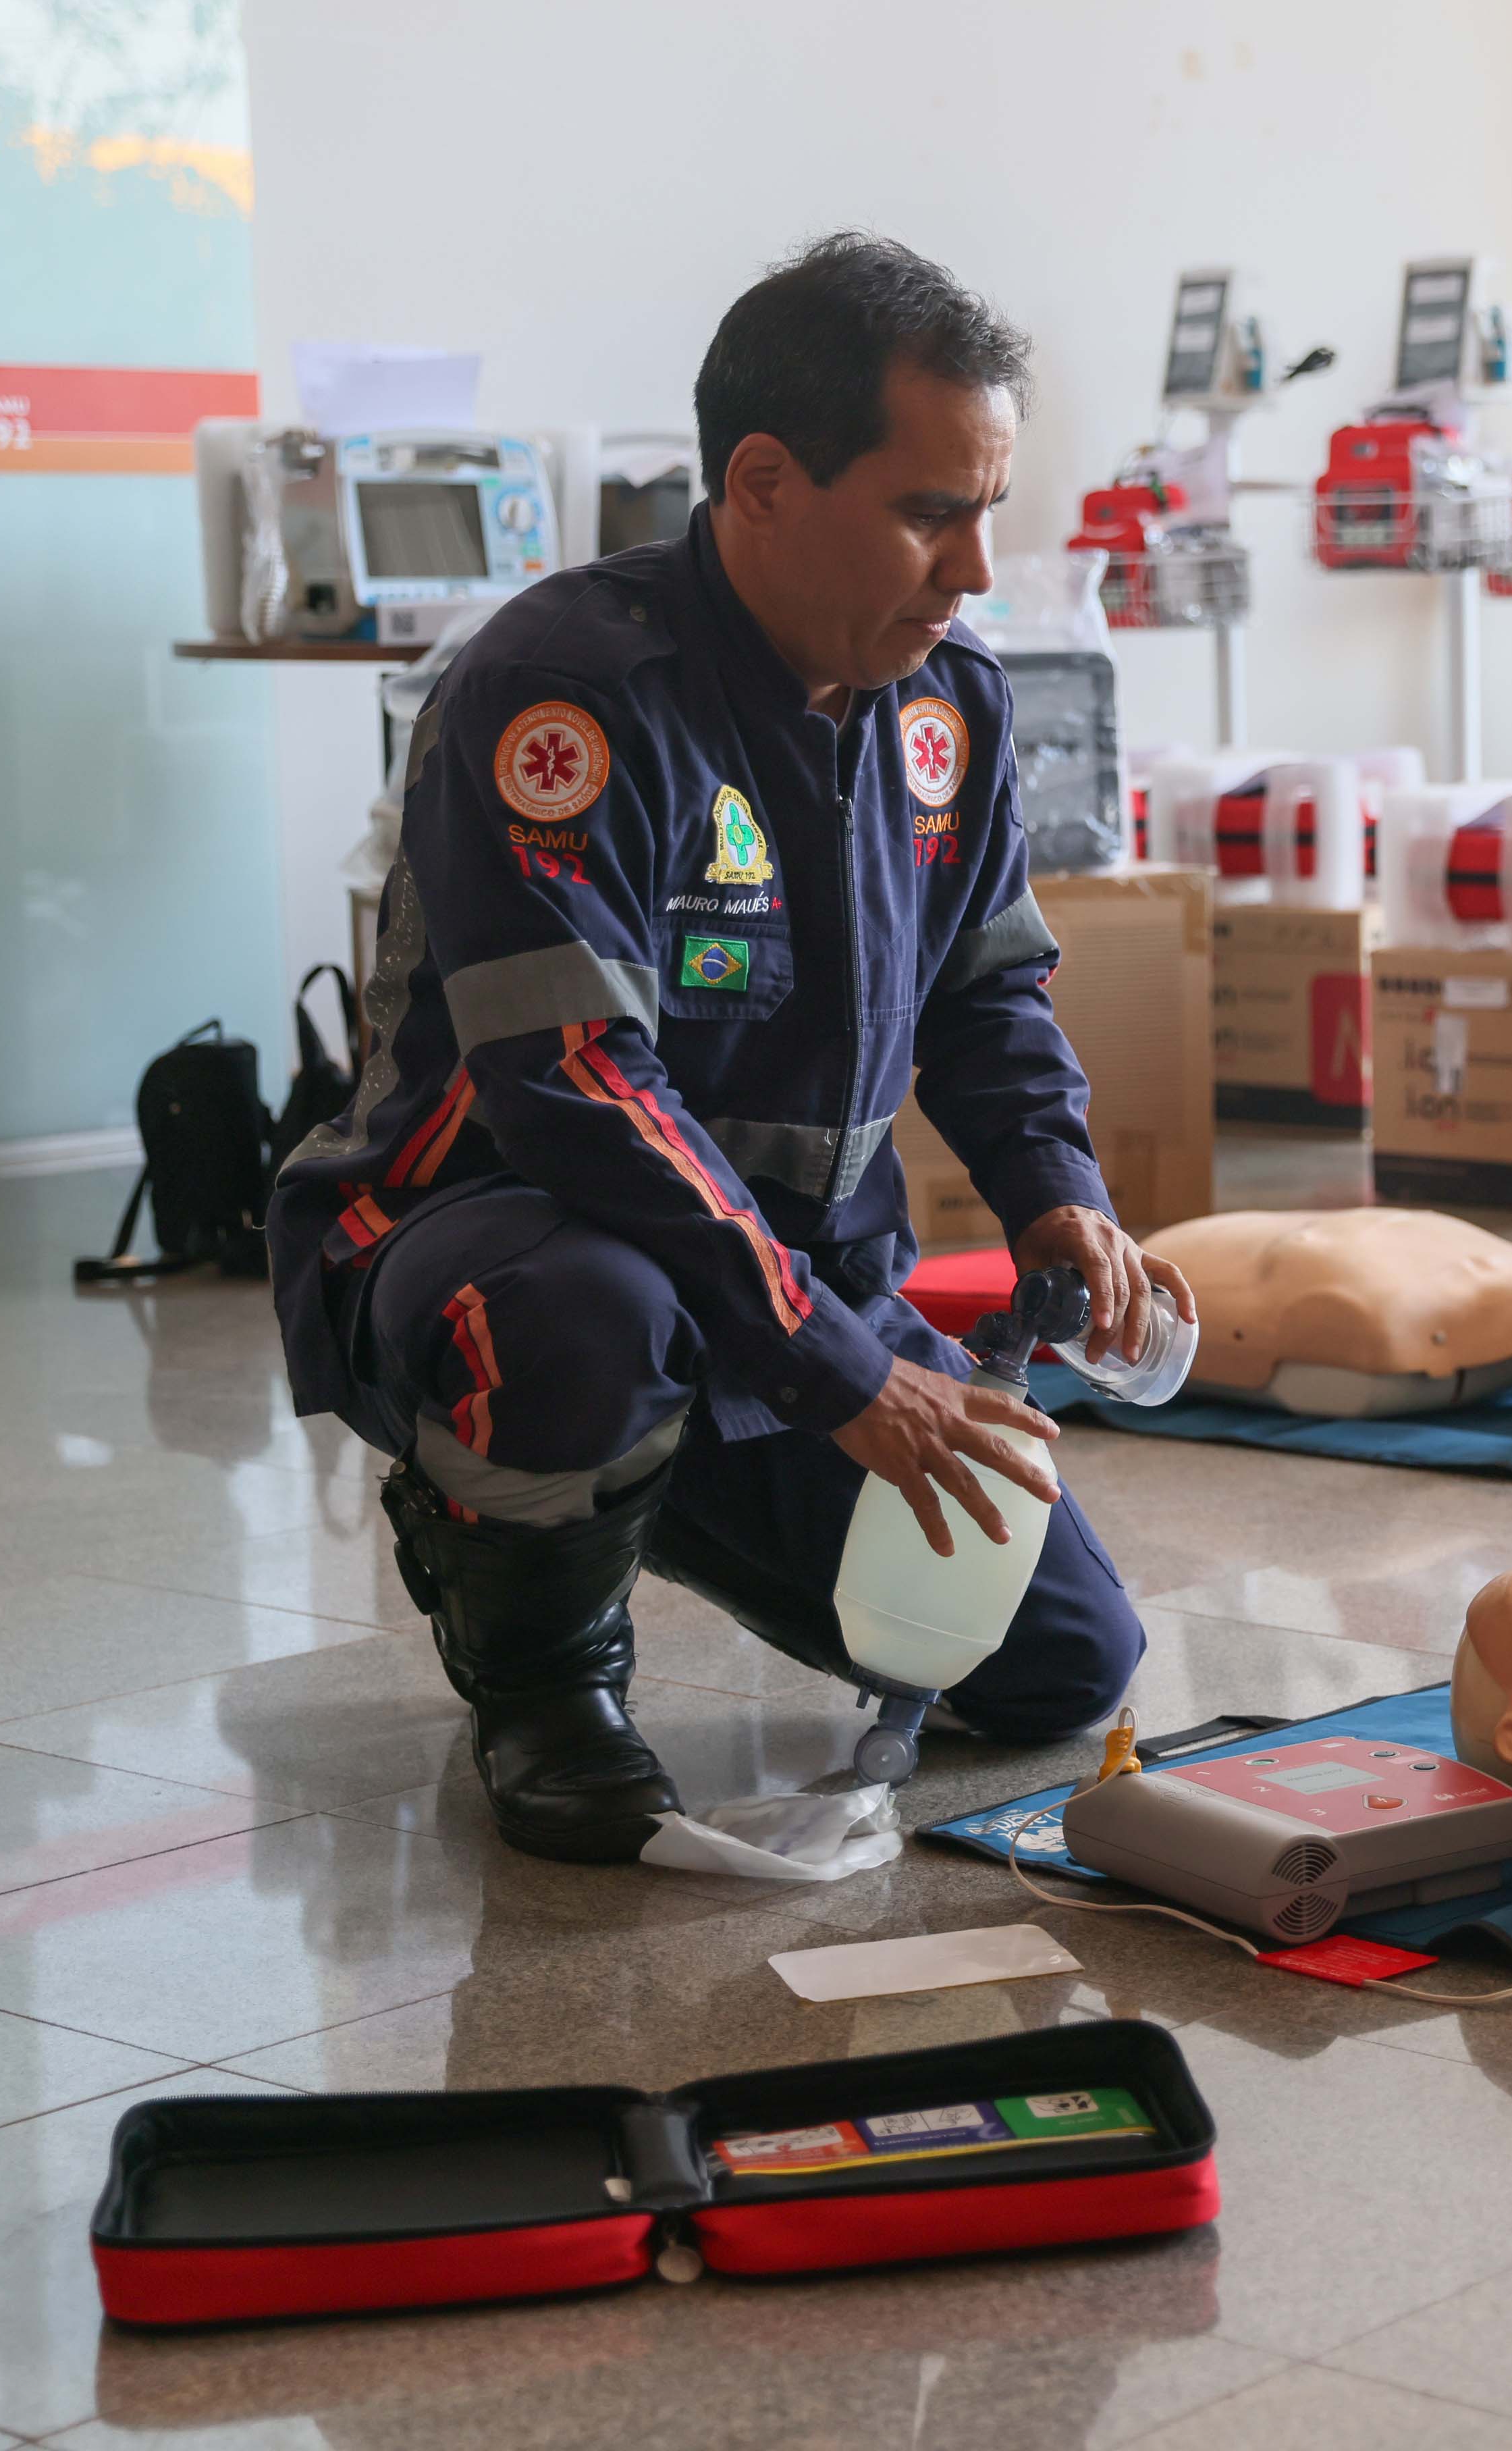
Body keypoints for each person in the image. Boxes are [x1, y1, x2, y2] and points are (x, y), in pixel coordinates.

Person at [273, 235, 1191, 1862]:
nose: (975, 568)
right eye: (932, 511)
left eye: (989, 509)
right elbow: (578, 1084)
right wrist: (840, 1375)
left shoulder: (947, 708)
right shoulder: (565, 699)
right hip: (515, 1256)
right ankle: (540, 1655)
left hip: (788, 1292)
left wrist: (1057, 1193)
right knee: (584, 1321)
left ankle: (635, 1480)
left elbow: (989, 998)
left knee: (1063, 1663)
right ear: (763, 482)